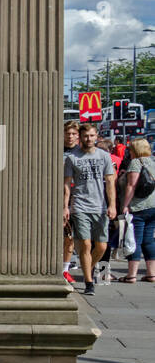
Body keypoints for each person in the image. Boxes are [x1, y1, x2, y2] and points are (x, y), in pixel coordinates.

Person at [64, 123, 116, 296]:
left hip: (100, 206)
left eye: (92, 136)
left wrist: (112, 205)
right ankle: (88, 282)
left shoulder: (104, 156)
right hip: (80, 205)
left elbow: (110, 182)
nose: (89, 139)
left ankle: (88, 267)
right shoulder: (72, 157)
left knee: (101, 246)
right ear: (81, 137)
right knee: (85, 244)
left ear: (96, 136)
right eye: (86, 136)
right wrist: (66, 206)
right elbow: (66, 185)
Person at [119, 137, 155, 283]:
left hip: (138, 207)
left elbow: (131, 185)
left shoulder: (136, 162)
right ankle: (152, 274)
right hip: (153, 206)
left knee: (133, 240)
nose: (129, 152)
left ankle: (131, 275)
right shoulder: (153, 161)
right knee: (148, 241)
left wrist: (125, 205)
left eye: (131, 149)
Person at [63, 122, 80, 277]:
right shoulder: (56, 150)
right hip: (57, 195)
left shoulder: (81, 152)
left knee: (70, 236)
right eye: (68, 133)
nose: (70, 137)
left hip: (76, 196)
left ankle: (65, 268)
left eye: (74, 134)